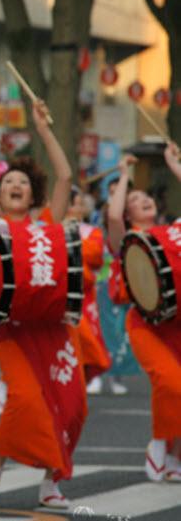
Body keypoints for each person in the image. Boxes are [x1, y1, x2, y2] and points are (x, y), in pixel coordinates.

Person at [0, 100, 84, 510]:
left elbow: (65, 175)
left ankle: (51, 482)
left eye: (22, 183)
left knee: (73, 404)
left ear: (33, 193)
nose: (15, 185)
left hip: (57, 329)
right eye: (8, 181)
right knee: (25, 400)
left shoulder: (47, 223)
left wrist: (44, 129)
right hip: (15, 330)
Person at [107, 147, 181, 482]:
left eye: (145, 196)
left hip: (178, 324)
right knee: (171, 382)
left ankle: (175, 458)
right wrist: (123, 175)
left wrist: (174, 165)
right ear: (129, 212)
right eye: (135, 200)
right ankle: (159, 442)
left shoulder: (174, 230)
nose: (144, 201)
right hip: (147, 326)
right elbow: (112, 217)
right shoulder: (128, 241)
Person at [64, 187, 111, 395]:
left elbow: (95, 256)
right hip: (62, 293)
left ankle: (87, 373)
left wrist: (72, 243)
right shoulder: (52, 227)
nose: (75, 207)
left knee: (88, 338)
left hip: (85, 293)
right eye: (72, 203)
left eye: (77, 203)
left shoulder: (92, 231)